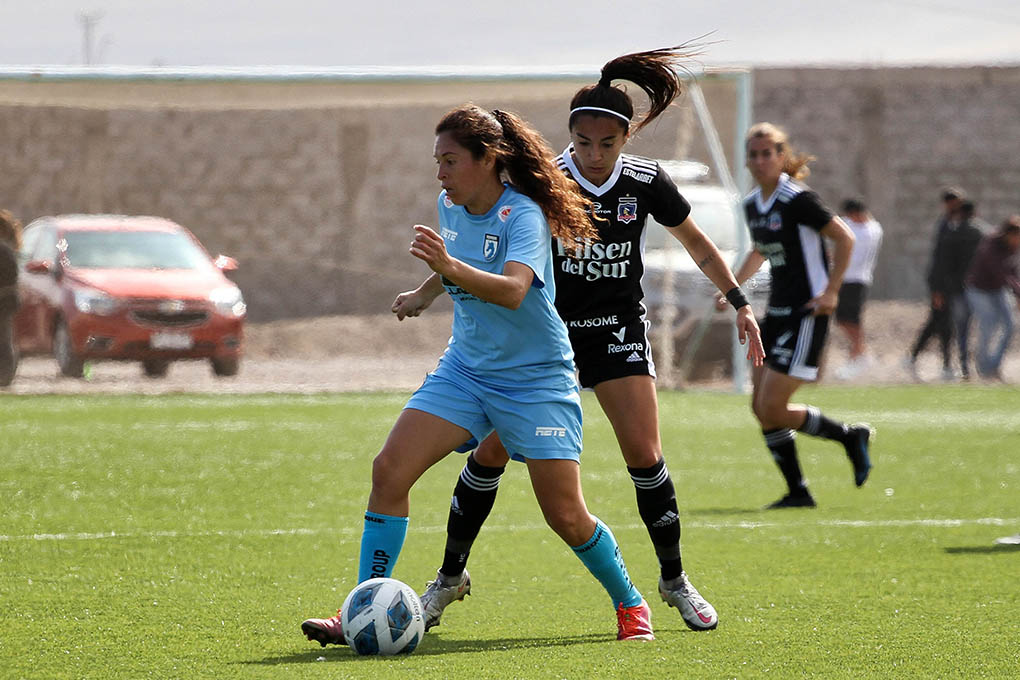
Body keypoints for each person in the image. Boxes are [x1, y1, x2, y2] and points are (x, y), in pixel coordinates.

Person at [415, 45, 765, 635]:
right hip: (548, 346)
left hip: (619, 335)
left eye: (608, 143)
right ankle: (449, 578)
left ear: (625, 140)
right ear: (569, 137)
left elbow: (699, 246)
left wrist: (739, 302)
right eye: (584, 143)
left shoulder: (648, 182)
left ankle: (675, 582)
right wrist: (427, 291)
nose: (595, 155)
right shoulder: (544, 185)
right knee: (489, 454)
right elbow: (482, 251)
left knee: (645, 458)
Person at [301, 104, 658, 645]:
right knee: (389, 471)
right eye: (437, 160)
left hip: (536, 379)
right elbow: (458, 260)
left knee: (565, 514)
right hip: (465, 370)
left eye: (449, 161)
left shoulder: (524, 217)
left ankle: (630, 603)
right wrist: (425, 292)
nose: (439, 173)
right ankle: (364, 606)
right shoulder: (450, 203)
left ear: (487, 160)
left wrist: (446, 268)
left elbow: (513, 290)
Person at [725, 122, 873, 509]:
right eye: (753, 154)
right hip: (775, 313)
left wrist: (832, 292)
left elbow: (844, 236)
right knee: (761, 408)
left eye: (768, 153)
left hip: (807, 312)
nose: (760, 160)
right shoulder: (753, 204)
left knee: (773, 405)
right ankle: (798, 491)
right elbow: (760, 250)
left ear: (782, 157)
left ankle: (847, 436)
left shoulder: (797, 199)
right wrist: (731, 289)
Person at [905, 188, 981, 381]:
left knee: (940, 323)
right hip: (942, 284)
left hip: (952, 285)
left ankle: (922, 359)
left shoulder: (956, 226)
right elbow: (940, 260)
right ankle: (939, 363)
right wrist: (937, 289)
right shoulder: (947, 228)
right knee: (941, 322)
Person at [964, 216, 1020, 381]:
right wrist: (1018, 292)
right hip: (979, 289)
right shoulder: (990, 245)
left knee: (1010, 325)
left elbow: (1013, 270)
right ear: (1008, 234)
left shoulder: (1012, 247)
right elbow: (1001, 273)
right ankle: (984, 368)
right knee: (988, 325)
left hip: (998, 289)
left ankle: (994, 366)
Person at [833, 198, 883, 380]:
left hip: (856, 279)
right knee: (843, 319)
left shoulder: (870, 230)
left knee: (851, 320)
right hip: (846, 279)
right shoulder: (871, 227)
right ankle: (859, 353)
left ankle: (859, 354)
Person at [0, 209, 22, 387]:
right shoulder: (7, 250)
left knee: (4, 340)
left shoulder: (4, 251)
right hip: (7, 300)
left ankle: (5, 376)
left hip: (4, 301)